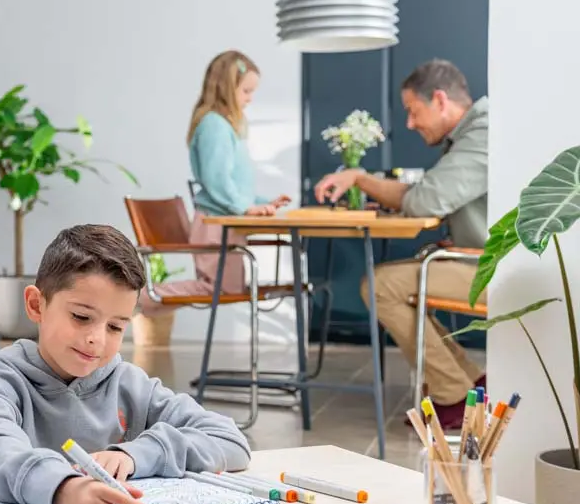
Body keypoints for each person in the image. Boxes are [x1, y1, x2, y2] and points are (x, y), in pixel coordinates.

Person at [0, 224, 250, 504]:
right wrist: (64, 490)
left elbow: (230, 440)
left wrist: (136, 455)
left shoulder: (130, 384)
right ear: (35, 305)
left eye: (115, 327)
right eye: (81, 317)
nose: (97, 338)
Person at [314, 59, 488, 429]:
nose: (409, 123)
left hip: (494, 269)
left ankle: (453, 395)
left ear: (439, 100)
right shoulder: (472, 134)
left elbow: (424, 201)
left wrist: (359, 178)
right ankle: (469, 382)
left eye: (413, 111)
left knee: (380, 286)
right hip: (480, 259)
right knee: (397, 281)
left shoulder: (483, 133)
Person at [141, 50, 291, 311]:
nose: (250, 99)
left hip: (225, 223)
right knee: (218, 289)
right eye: (246, 91)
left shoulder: (225, 126)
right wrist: (245, 208)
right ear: (225, 88)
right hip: (214, 224)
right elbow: (217, 181)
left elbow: (234, 186)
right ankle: (133, 299)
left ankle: (134, 300)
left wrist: (262, 203)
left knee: (225, 288)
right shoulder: (214, 125)